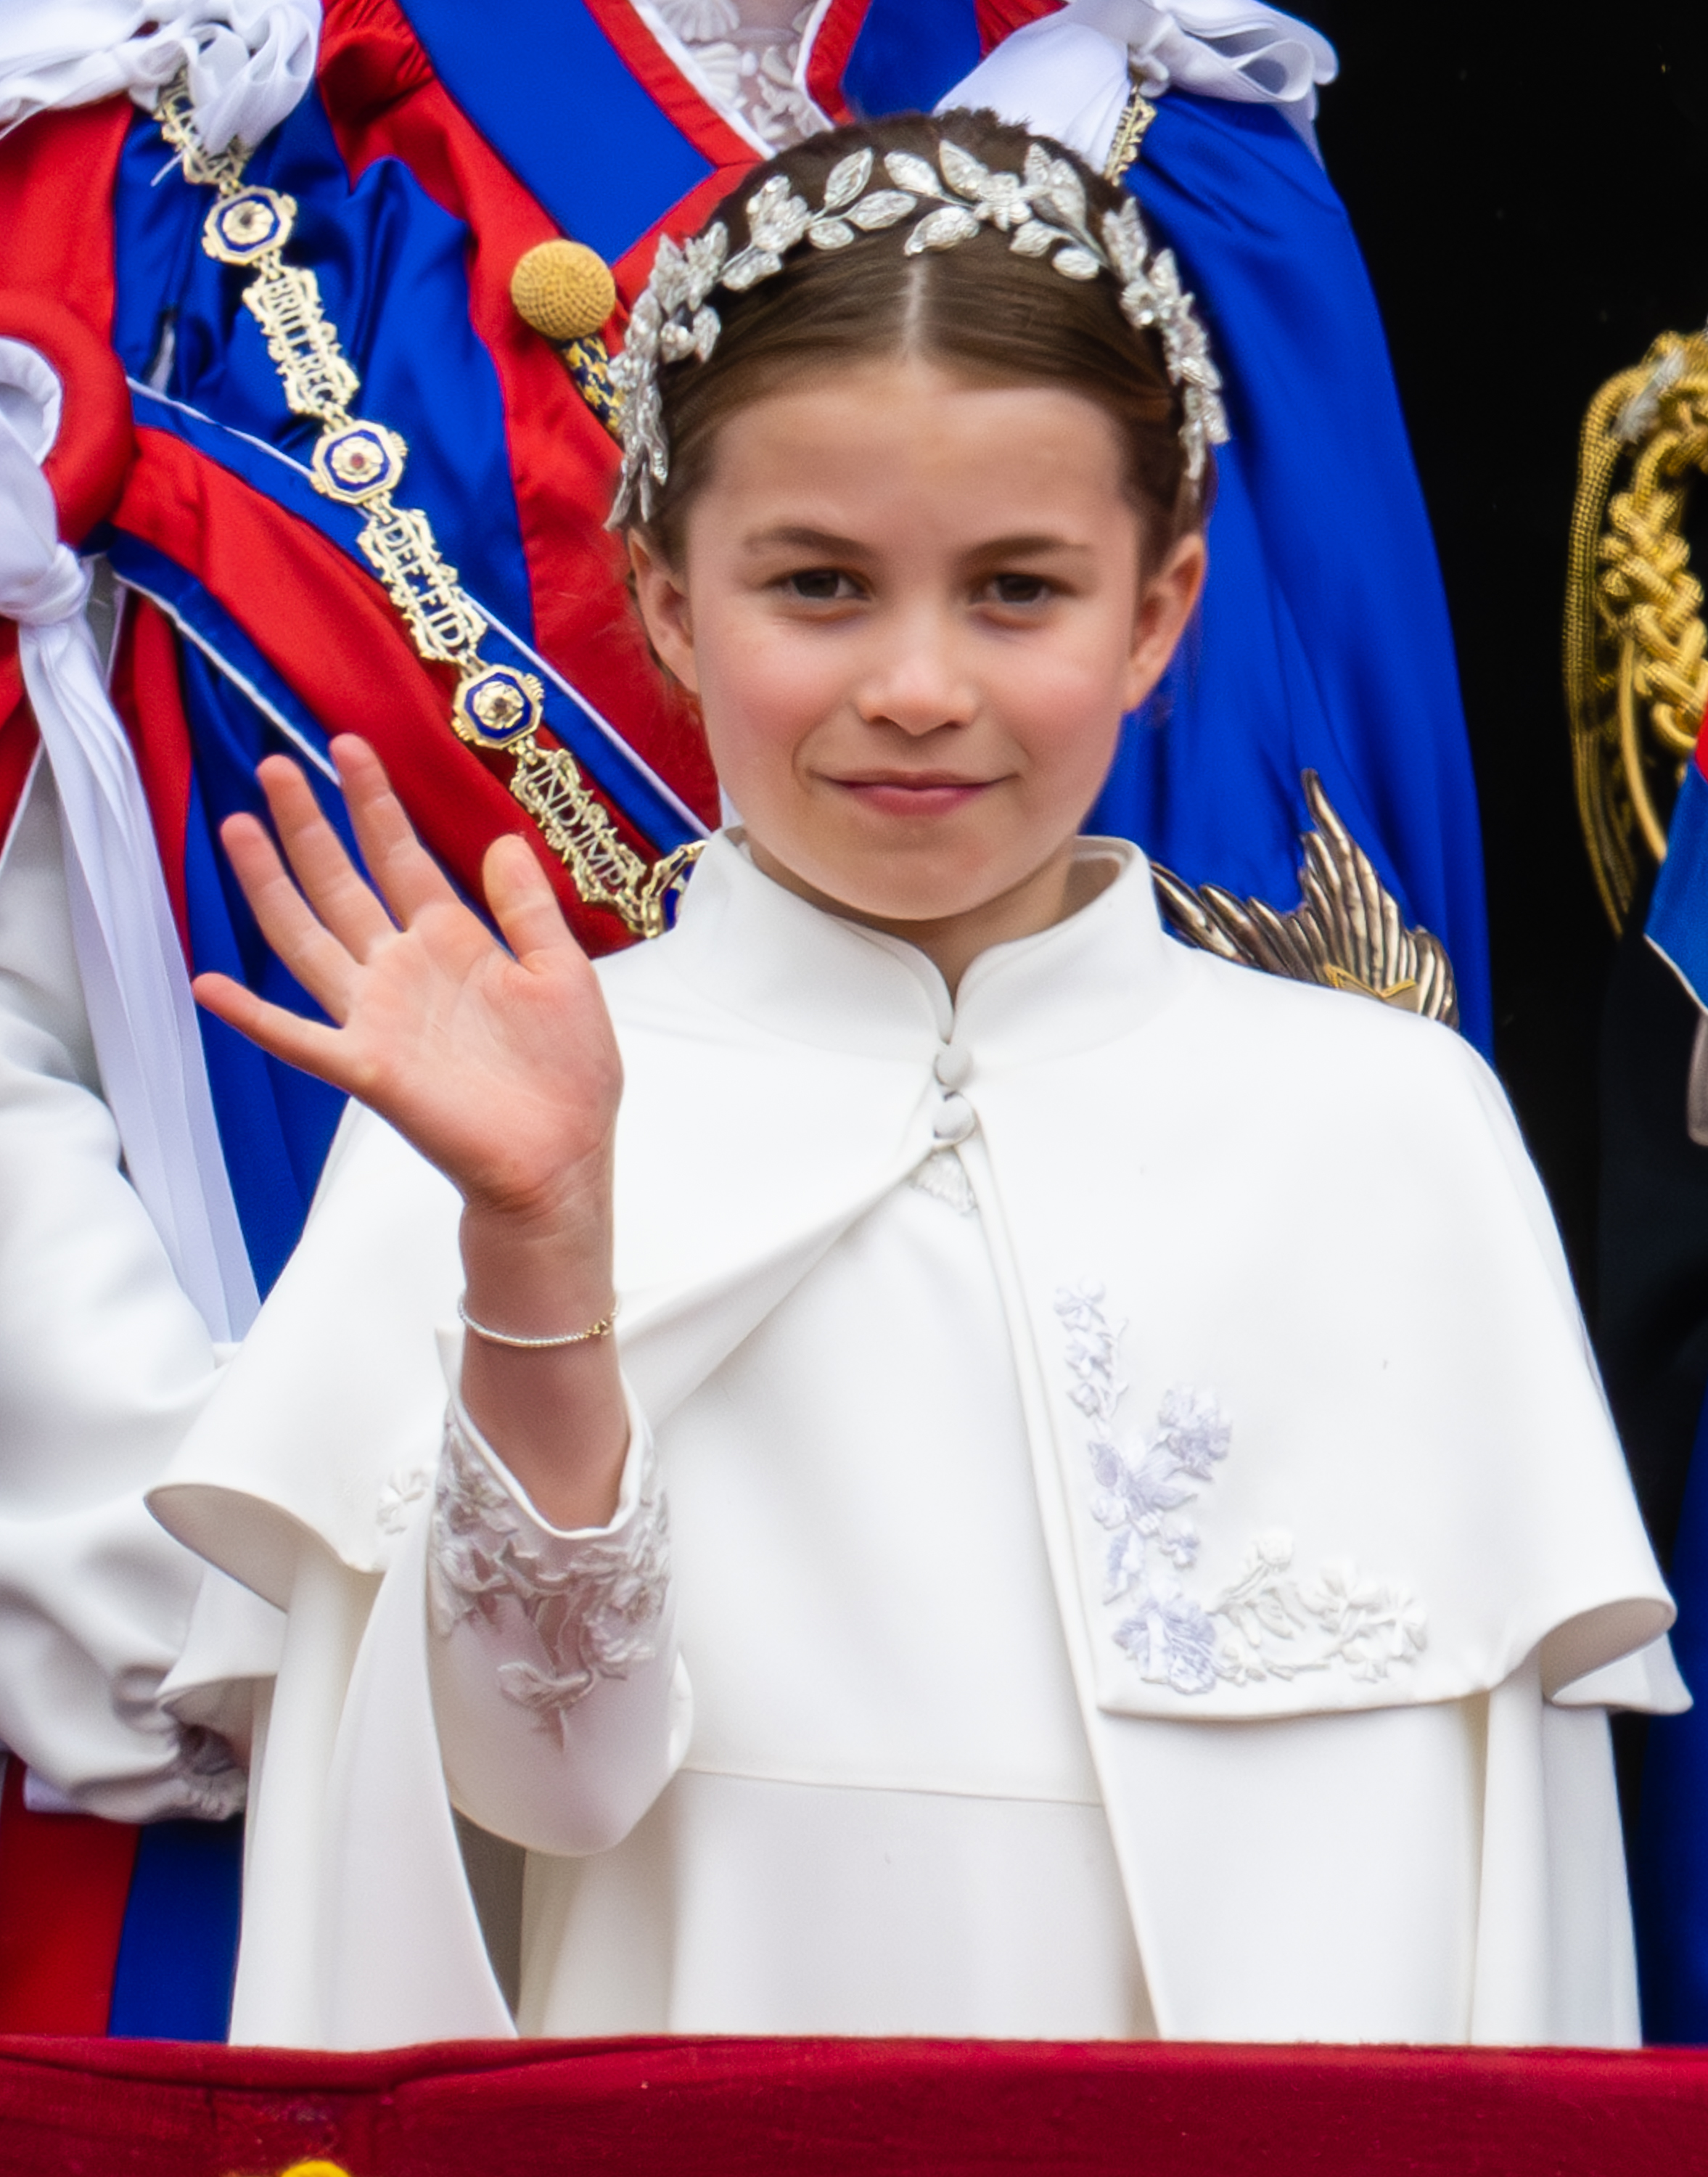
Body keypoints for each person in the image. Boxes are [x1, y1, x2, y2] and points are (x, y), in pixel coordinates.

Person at [150, 109, 1678, 2051]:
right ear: (670, 601)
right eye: (818, 586)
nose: (918, 687)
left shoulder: (1392, 1132)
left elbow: (1512, 1928)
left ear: (1159, 608)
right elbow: (528, 1803)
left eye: (1018, 591)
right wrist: (536, 1253)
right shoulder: (503, 1126)